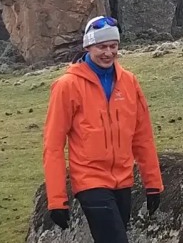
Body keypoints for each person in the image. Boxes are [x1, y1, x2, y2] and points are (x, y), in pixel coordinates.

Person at [43, 16, 163, 243]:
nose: (108, 52)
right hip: (90, 181)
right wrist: (56, 199)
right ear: (88, 46)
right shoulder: (67, 86)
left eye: (113, 46)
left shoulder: (129, 82)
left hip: (123, 180)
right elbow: (53, 145)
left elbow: (142, 136)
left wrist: (153, 184)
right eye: (101, 47)